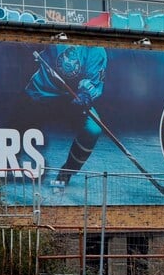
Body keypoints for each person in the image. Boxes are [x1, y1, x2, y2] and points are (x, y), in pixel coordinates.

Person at [25, 44, 107, 186]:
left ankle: (66, 172)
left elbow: (92, 81)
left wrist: (85, 95)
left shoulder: (96, 50)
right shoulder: (55, 35)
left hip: (72, 98)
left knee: (93, 129)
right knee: (17, 121)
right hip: (39, 91)